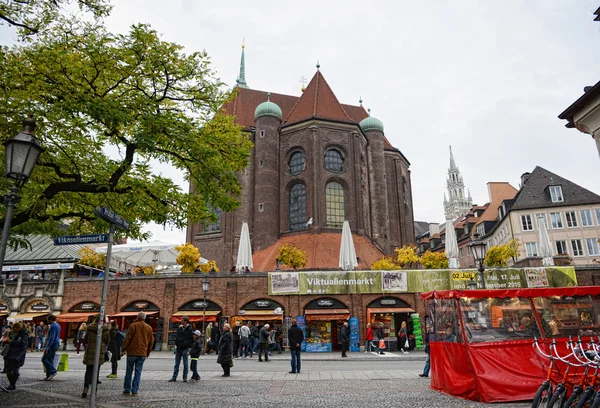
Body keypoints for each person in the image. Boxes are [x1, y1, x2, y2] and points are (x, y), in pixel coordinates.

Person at [121, 312, 154, 396]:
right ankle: (135, 390)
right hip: (142, 352)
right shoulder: (149, 328)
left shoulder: (133, 326)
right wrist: (148, 352)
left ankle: (127, 389)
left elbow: (127, 339)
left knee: (129, 371)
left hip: (132, 352)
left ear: (137, 317)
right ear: (145, 318)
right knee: (138, 372)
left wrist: (123, 349)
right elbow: (151, 341)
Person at [81, 317, 110, 398]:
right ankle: (94, 390)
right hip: (100, 351)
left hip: (90, 351)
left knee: (88, 371)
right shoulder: (105, 329)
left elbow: (85, 340)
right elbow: (107, 340)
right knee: (96, 371)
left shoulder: (89, 328)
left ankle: (85, 389)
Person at [2, 322, 29, 390]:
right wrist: (6, 341)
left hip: (18, 353)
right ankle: (12, 383)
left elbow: (23, 343)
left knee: (15, 369)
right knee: (8, 370)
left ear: (18, 328)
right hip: (11, 352)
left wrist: (11, 341)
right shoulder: (13, 332)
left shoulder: (24, 333)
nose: (14, 330)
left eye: (14, 329)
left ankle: (12, 384)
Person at [170, 316, 194, 382]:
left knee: (185, 363)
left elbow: (191, 339)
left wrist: (187, 345)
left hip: (185, 348)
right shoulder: (180, 328)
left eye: (182, 320)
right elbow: (177, 337)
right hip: (179, 348)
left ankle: (185, 376)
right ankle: (174, 377)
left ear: (185, 321)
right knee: (176, 363)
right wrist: (176, 343)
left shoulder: (190, 329)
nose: (181, 321)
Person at [42, 315, 61, 380]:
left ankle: (53, 371)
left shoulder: (53, 326)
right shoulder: (58, 325)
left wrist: (47, 347)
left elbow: (51, 338)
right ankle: (48, 375)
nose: (47, 321)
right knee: (50, 359)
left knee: (44, 359)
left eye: (48, 319)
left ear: (50, 319)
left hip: (52, 344)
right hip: (56, 343)